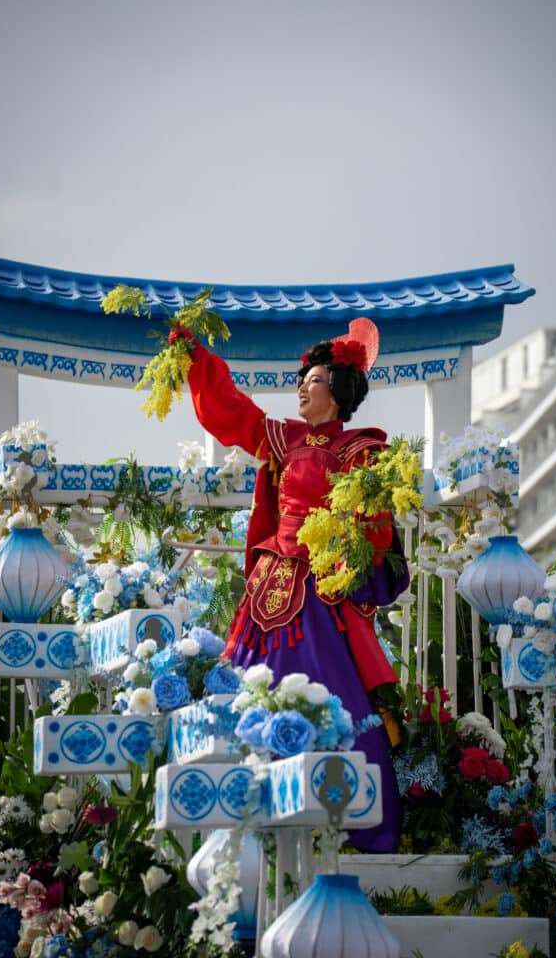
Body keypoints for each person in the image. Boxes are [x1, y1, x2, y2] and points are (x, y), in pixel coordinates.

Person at [171, 317, 409, 851]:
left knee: (327, 682)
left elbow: (373, 526)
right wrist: (197, 360)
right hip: (271, 580)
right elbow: (232, 412)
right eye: (301, 381)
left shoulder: (362, 450)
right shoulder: (284, 438)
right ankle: (240, 807)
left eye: (315, 381)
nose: (302, 388)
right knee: (245, 680)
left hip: (320, 587)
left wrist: (348, 555)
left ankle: (351, 818)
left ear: (339, 391)